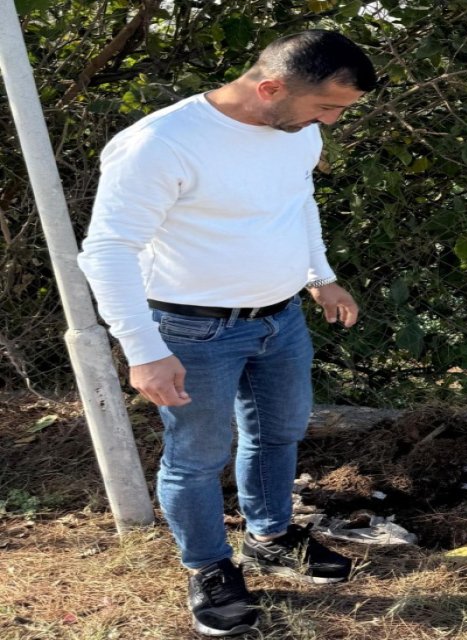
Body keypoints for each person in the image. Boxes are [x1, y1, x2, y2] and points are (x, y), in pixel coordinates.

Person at [78, 30, 376, 637]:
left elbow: (298, 202)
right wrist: (144, 351)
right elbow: (107, 251)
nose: (333, 122)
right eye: (328, 107)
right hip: (190, 329)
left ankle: (269, 537)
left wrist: (321, 277)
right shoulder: (160, 145)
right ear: (270, 88)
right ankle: (209, 568)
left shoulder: (297, 130)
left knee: (279, 434)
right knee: (197, 456)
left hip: (279, 318)